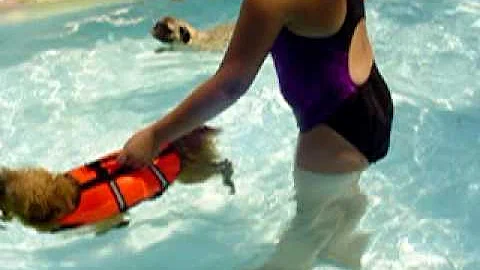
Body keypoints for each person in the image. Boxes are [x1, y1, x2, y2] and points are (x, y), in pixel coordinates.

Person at [118, 0, 394, 269]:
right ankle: (342, 250)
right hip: (369, 100)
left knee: (304, 234)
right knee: (335, 201)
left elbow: (230, 86)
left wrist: (156, 135)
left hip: (332, 129)